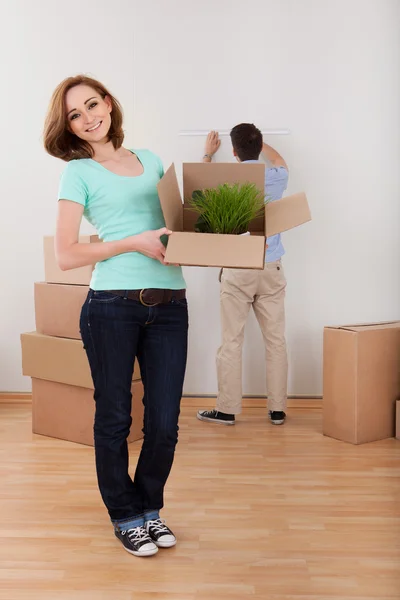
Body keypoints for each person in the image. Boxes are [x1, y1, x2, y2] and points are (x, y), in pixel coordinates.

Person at [43, 75, 188, 558]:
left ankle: (149, 508)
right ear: (69, 127)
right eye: (75, 116)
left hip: (170, 304)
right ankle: (125, 515)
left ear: (108, 102)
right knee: (115, 418)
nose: (89, 118)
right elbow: (66, 254)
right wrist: (133, 242)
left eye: (92, 104)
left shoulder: (150, 160)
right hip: (111, 307)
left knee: (164, 422)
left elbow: (177, 224)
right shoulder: (78, 173)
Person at [197, 126, 289, 426]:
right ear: (258, 145)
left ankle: (226, 410)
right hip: (270, 266)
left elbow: (198, 189)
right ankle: (277, 410)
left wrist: (208, 154)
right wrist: (260, 145)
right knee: (276, 341)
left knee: (231, 341)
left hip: (238, 269)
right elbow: (281, 162)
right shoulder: (276, 179)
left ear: (233, 151)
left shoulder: (225, 180)